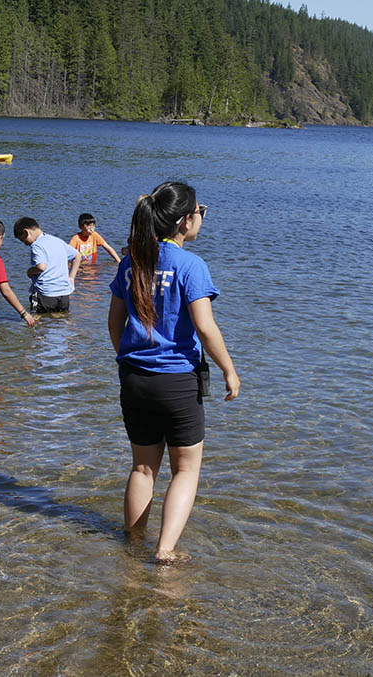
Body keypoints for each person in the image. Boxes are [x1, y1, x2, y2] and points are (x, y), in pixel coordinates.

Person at [107, 181, 240, 565]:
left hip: (133, 377)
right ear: (185, 220)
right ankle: (164, 552)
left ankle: (133, 546)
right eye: (201, 211)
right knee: (185, 470)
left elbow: (114, 322)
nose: (201, 218)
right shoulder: (190, 265)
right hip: (177, 380)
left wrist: (129, 360)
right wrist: (229, 371)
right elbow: (204, 327)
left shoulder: (131, 260)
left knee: (143, 467)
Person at [13, 217, 80, 313]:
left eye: (23, 240)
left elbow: (41, 266)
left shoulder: (36, 245)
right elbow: (77, 256)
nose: (25, 244)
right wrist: (71, 277)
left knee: (37, 322)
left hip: (45, 294)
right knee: (61, 322)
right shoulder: (56, 240)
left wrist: (30, 272)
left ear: (26, 232)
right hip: (63, 295)